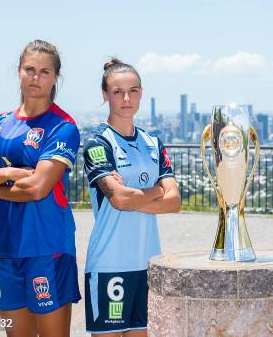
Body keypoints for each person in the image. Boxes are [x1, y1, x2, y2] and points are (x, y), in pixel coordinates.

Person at [0, 39, 81, 336]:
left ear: (56, 77)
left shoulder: (62, 126)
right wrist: (14, 172)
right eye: (29, 69)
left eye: (44, 71)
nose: (35, 77)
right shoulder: (0, 123)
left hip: (47, 246)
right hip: (4, 246)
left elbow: (37, 189)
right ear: (19, 72)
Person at [83, 58, 181, 336]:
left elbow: (175, 203)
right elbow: (120, 200)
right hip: (109, 265)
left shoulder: (153, 143)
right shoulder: (98, 143)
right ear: (105, 95)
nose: (126, 98)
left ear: (141, 93)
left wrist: (133, 195)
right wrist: (156, 190)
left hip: (148, 266)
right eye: (117, 91)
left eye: (133, 90)